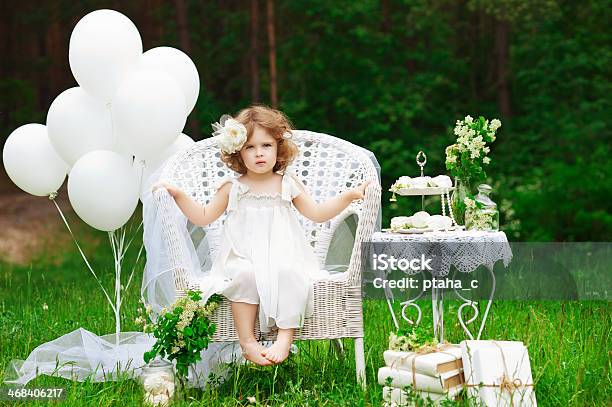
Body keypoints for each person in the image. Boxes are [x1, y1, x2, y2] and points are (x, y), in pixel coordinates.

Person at [153, 105, 370, 366]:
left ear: (278, 148)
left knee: (289, 274)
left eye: (266, 145)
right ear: (238, 152)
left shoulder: (287, 183)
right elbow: (202, 216)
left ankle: (285, 336)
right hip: (241, 257)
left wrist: (347, 196)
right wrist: (179, 194)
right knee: (245, 276)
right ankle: (248, 341)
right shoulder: (232, 187)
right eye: (250, 147)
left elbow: (317, 213)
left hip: (284, 254)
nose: (259, 153)